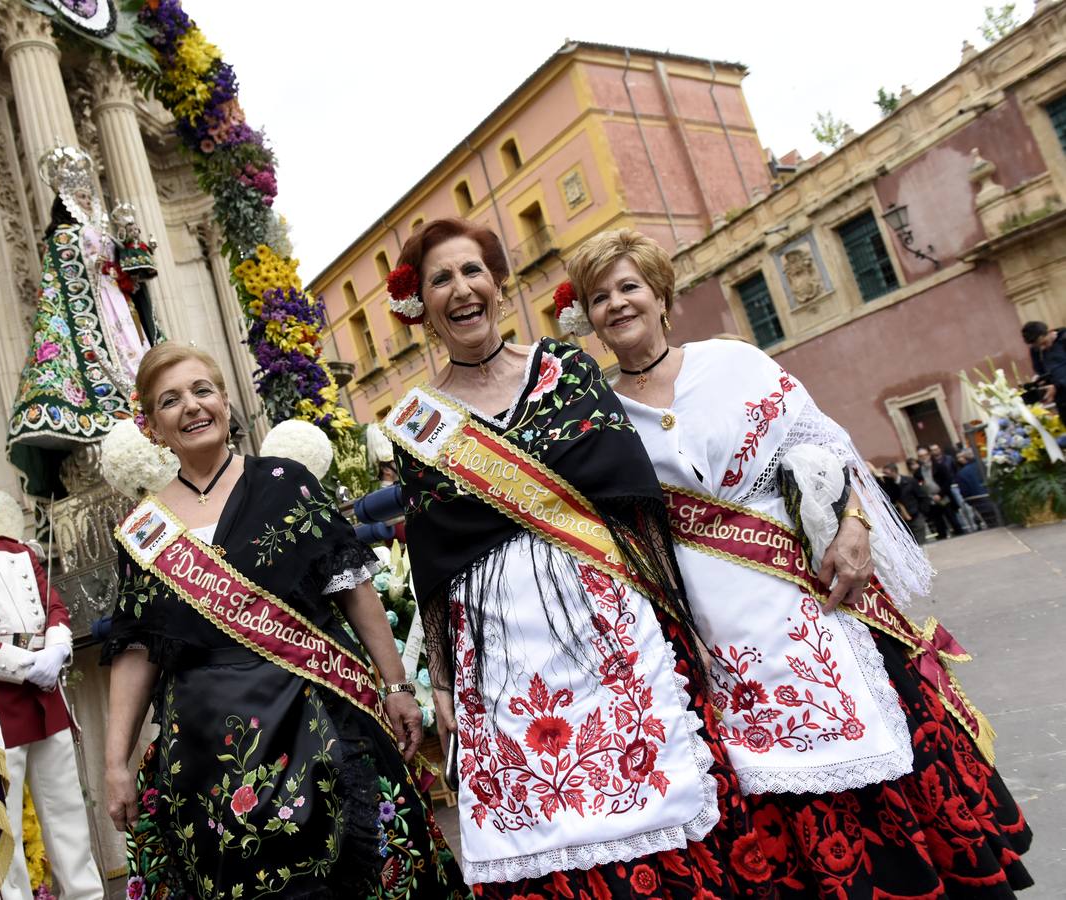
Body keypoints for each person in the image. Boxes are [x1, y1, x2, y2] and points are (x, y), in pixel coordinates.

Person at [565, 227, 1032, 896]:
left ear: (661, 294)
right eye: (600, 296)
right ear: (589, 317)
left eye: (629, 287)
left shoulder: (736, 364)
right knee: (768, 768)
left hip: (812, 595)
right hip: (714, 626)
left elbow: (828, 449)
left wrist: (855, 524)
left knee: (874, 734)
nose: (617, 304)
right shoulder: (599, 416)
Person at [381, 218, 774, 897]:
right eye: (441, 278)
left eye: (472, 271)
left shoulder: (566, 374)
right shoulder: (419, 423)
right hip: (498, 652)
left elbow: (632, 500)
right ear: (424, 307)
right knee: (544, 821)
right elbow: (432, 566)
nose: (461, 289)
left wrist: (680, 619)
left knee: (655, 791)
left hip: (608, 627)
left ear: (499, 287)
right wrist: (440, 682)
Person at [102, 342, 465, 898]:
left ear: (225, 401)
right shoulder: (144, 530)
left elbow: (353, 589)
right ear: (151, 426)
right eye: (170, 400)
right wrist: (116, 764)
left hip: (316, 712)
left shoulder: (283, 482)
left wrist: (396, 686)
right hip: (206, 753)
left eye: (202, 390)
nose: (192, 407)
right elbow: (136, 652)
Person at [0, 432, 103, 900]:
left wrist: (56, 649)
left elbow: (56, 607)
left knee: (69, 815)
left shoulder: (20, 551)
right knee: (3, 830)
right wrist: (27, 666)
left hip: (47, 699)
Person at [7, 143, 153, 499]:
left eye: (90, 196)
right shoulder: (63, 237)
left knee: (139, 351)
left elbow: (133, 275)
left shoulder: (107, 233)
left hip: (118, 305)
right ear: (67, 201)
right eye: (80, 197)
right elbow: (67, 280)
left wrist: (131, 249)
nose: (87, 203)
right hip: (91, 310)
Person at [880, 462, 931, 541]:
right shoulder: (887, 486)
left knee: (921, 543)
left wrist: (921, 512)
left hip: (915, 516)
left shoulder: (910, 481)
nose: (884, 475)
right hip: (901, 520)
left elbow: (922, 497)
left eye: (886, 473)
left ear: (894, 471)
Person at [1021, 320, 1066, 405]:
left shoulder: (1063, 338)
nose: (1042, 348)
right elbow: (1041, 372)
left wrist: (1058, 386)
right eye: (1038, 347)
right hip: (1061, 401)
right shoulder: (1035, 351)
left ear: (1049, 332)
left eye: (1044, 343)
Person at [955, 449, 996, 529]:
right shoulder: (988, 465)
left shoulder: (962, 473)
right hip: (997, 500)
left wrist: (971, 502)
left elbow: (964, 492)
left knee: (993, 525)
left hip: (981, 503)